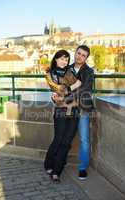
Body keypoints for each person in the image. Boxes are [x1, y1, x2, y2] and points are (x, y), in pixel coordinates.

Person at [52, 45, 94, 180]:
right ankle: (58, 164)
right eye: (78, 53)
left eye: (83, 55)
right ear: (75, 53)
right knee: (64, 138)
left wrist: (65, 96)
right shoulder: (67, 68)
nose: (80, 57)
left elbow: (84, 89)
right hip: (66, 108)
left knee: (84, 139)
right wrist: (56, 96)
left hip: (82, 108)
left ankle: (82, 168)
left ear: (86, 58)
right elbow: (60, 86)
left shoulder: (88, 71)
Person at [44, 50, 80, 182]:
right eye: (62, 58)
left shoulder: (69, 72)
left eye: (66, 59)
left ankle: (56, 170)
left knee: (66, 142)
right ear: (56, 59)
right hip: (60, 110)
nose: (64, 61)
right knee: (58, 139)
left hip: (74, 109)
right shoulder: (50, 73)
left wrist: (67, 89)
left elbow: (79, 85)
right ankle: (48, 164)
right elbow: (58, 89)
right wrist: (69, 88)